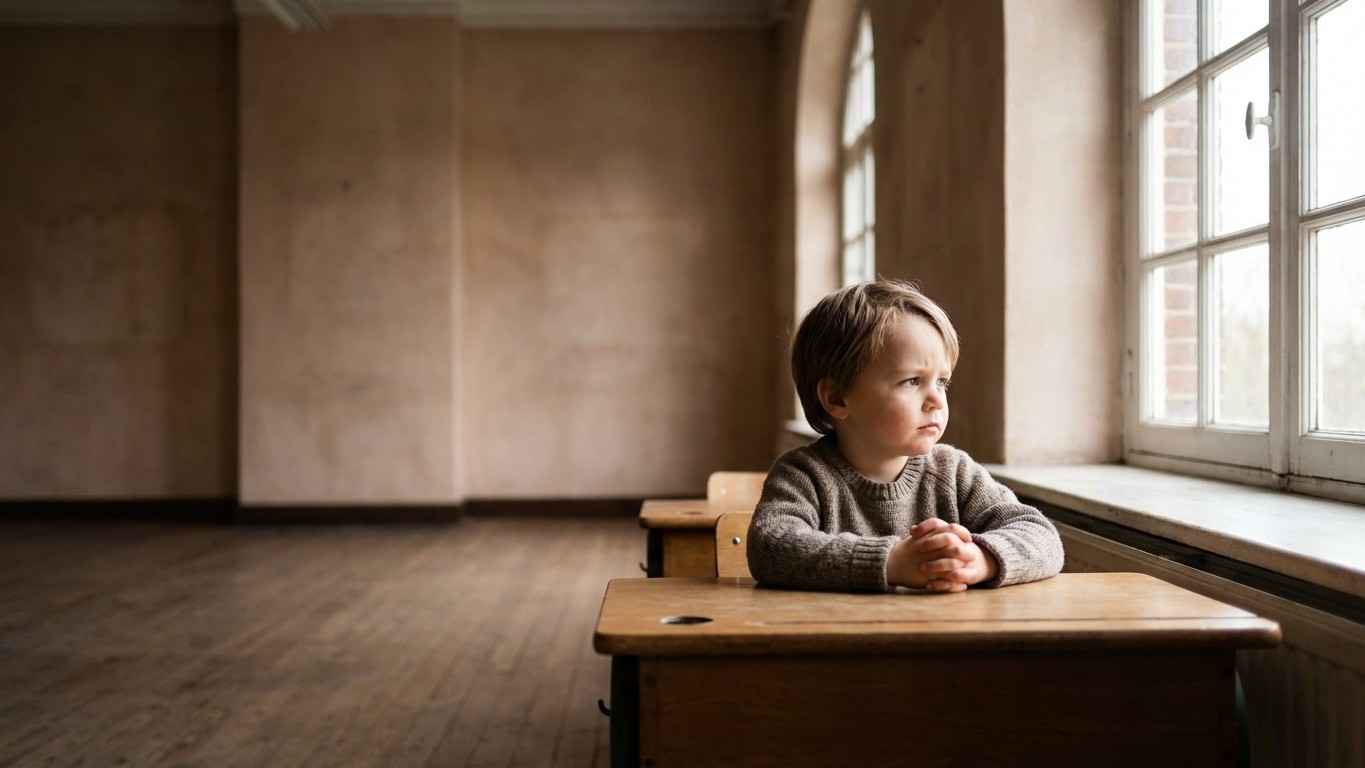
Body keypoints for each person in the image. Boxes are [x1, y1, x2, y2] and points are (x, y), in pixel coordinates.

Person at [747, 279, 1064, 593]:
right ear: (837, 398)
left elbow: (1042, 536)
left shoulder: (953, 472)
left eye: (942, 382)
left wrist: (980, 560)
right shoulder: (803, 476)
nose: (937, 400)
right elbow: (771, 548)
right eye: (912, 381)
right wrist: (892, 562)